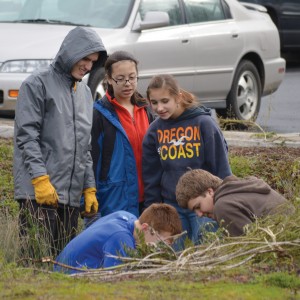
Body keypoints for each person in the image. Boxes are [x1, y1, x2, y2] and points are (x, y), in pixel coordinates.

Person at [13, 26, 107, 255]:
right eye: (85, 58)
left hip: (71, 197)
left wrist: (88, 188)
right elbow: (27, 137)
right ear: (70, 52)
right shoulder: (36, 84)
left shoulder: (85, 93)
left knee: (63, 263)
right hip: (38, 194)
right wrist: (40, 179)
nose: (88, 66)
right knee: (34, 261)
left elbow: (85, 147)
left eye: (93, 61)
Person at [142, 74, 232, 244]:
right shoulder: (154, 132)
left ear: (178, 97)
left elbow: (222, 169)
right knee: (175, 258)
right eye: (154, 103)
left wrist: (223, 203)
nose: (160, 108)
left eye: (165, 101)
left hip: (204, 205)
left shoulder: (204, 124)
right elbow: (151, 177)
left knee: (207, 251)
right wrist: (153, 210)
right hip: (172, 206)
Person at [88, 50, 154, 226]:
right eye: (120, 78)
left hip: (148, 198)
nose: (127, 84)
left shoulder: (147, 110)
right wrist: (88, 202)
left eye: (132, 77)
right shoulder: (99, 115)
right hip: (115, 199)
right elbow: (90, 161)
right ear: (109, 78)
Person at [54, 203, 182, 274]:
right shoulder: (120, 238)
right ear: (145, 228)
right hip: (66, 278)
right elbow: (116, 280)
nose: (165, 248)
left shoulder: (127, 217)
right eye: (164, 242)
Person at [176, 169, 290, 236]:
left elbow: (247, 246)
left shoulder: (223, 206)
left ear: (210, 192)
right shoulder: (242, 187)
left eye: (198, 206)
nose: (199, 214)